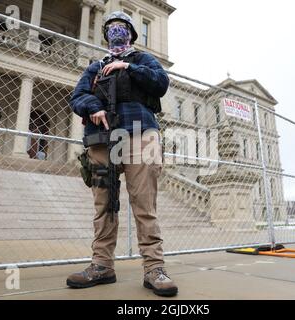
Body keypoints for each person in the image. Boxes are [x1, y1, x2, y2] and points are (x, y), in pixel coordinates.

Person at [67, 11, 178, 297]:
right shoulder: (95, 67)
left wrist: (126, 67)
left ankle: (154, 268)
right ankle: (102, 265)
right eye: (111, 28)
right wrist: (94, 106)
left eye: (121, 27)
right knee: (104, 204)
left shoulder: (142, 60)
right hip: (103, 139)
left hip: (142, 133)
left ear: (130, 32)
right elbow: (77, 96)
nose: (116, 33)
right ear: (106, 35)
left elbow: (160, 83)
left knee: (145, 204)